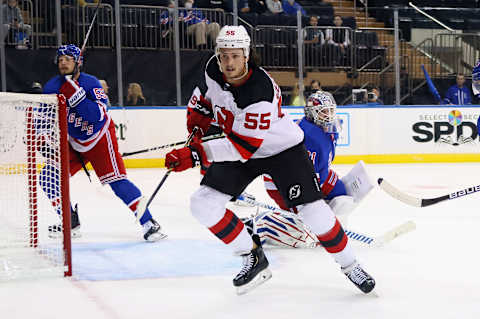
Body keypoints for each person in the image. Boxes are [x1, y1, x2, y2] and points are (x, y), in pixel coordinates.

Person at [164, 25, 375, 295]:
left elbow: (243, 147)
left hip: (281, 150)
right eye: (223, 55)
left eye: (235, 56)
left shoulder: (260, 92)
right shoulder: (213, 68)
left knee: (314, 213)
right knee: (202, 204)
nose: (228, 62)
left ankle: (351, 265)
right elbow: (204, 97)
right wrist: (197, 120)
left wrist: (196, 153)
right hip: (238, 145)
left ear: (247, 55)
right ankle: (252, 256)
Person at [42, 44, 166, 242]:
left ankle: (149, 223)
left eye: (68, 58)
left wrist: (77, 97)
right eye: (60, 59)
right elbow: (43, 118)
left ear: (78, 62)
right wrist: (43, 140)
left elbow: (97, 117)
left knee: (116, 181)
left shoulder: (91, 83)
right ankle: (69, 220)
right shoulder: (51, 87)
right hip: (74, 141)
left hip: (99, 137)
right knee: (48, 176)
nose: (63, 62)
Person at [243, 91, 372, 248]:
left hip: (306, 174)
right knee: (305, 232)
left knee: (341, 193)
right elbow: (305, 179)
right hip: (283, 183)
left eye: (330, 110)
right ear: (312, 113)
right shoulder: (310, 138)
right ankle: (261, 225)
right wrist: (317, 211)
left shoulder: (320, 129)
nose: (329, 115)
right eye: (323, 111)